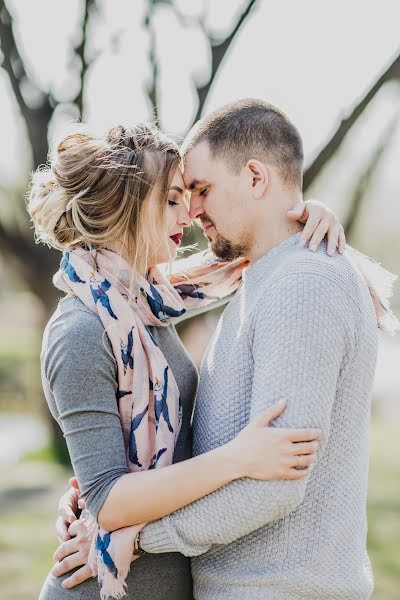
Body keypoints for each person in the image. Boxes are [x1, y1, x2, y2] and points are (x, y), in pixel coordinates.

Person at [56, 100, 398, 600]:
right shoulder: (191, 294)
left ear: (256, 178)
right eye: (178, 196)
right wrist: (100, 493)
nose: (192, 211)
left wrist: (131, 532)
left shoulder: (300, 283)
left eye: (201, 190)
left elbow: (276, 481)